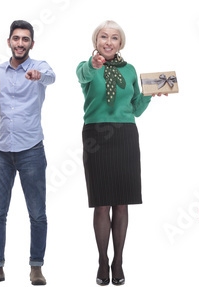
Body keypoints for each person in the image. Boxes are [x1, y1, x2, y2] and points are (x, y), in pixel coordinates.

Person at [75, 20, 166, 286]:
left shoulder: (130, 70)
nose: (109, 42)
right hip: (96, 135)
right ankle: (103, 260)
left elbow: (136, 108)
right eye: (103, 37)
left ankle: (119, 260)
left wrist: (150, 94)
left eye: (114, 38)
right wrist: (93, 65)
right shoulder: (88, 67)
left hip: (126, 135)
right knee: (102, 202)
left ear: (120, 43)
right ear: (96, 42)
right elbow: (84, 76)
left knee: (122, 202)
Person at [0, 20, 53, 286]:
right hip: (2, 150)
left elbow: (52, 77)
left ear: (31, 43)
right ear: (9, 42)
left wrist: (38, 76)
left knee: (37, 213)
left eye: (25, 39)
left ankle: (36, 268)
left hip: (31, 150)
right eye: (16, 39)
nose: (20, 43)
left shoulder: (40, 67)